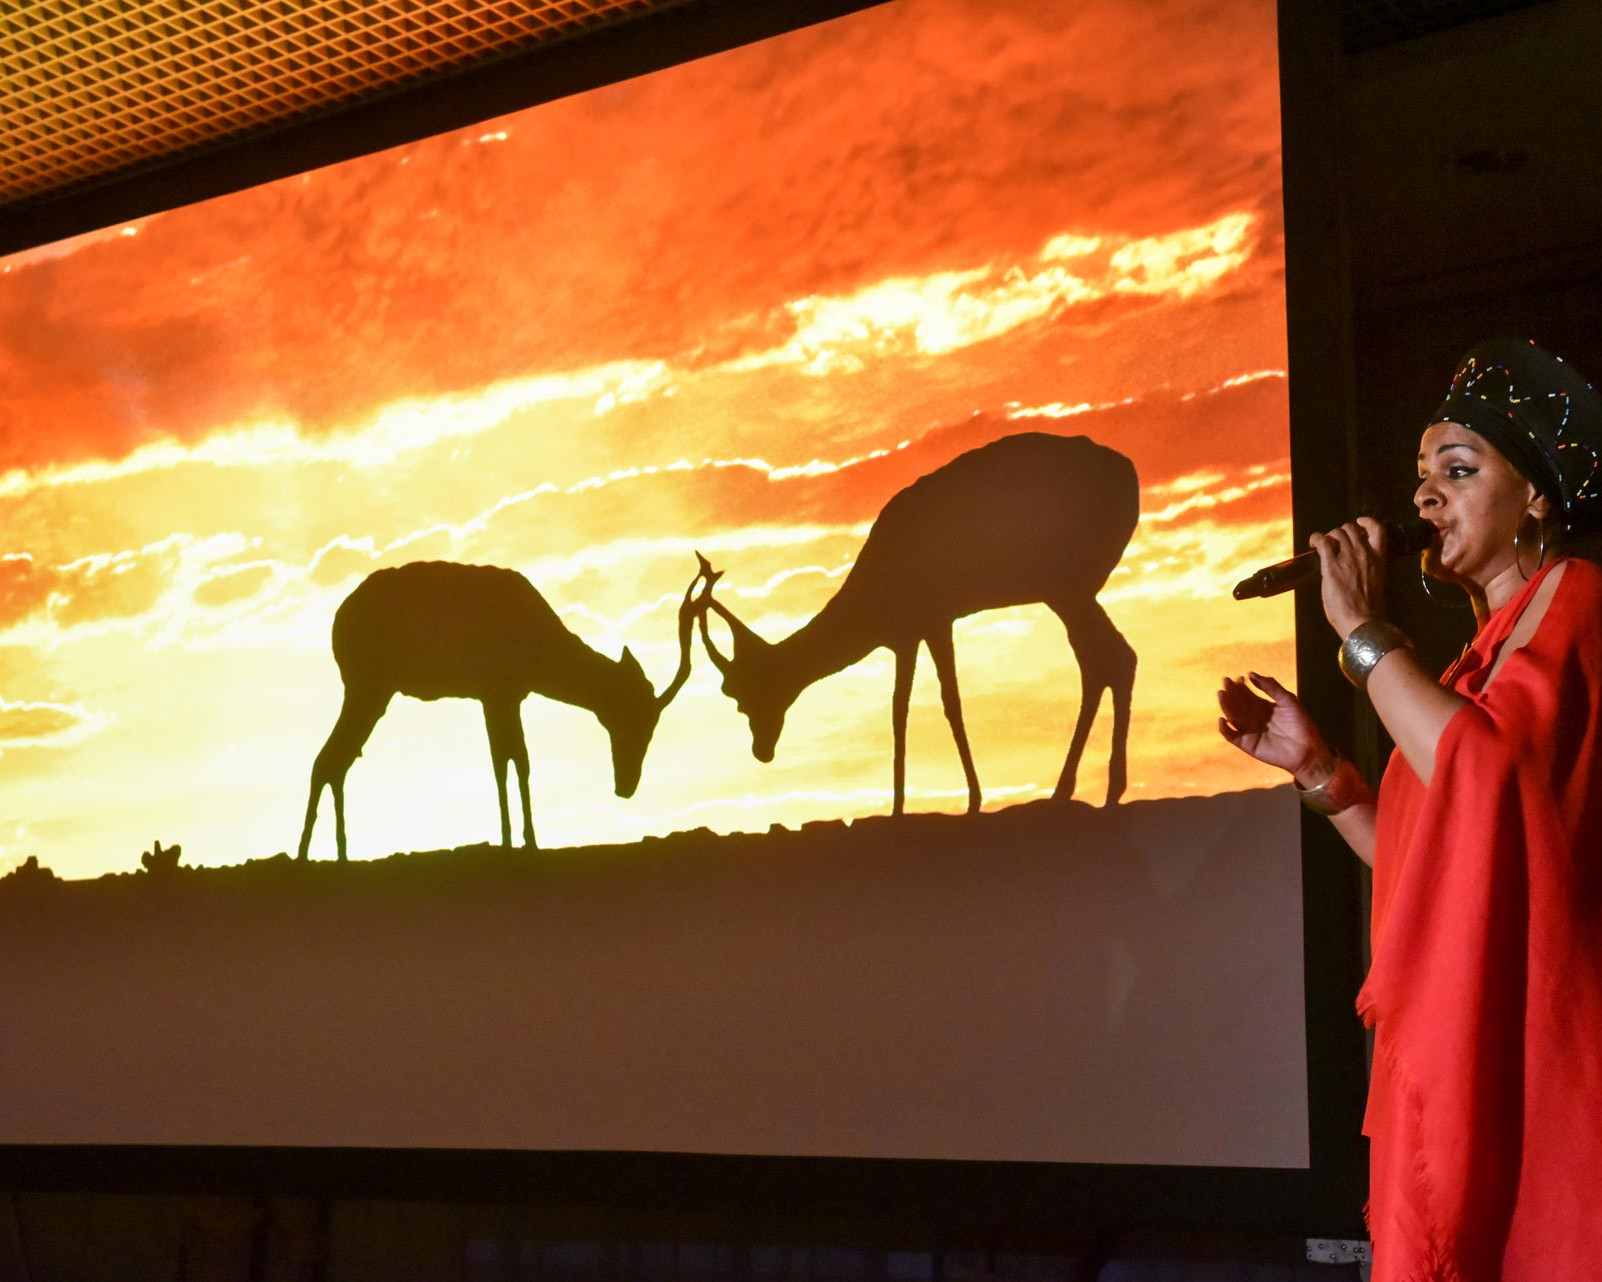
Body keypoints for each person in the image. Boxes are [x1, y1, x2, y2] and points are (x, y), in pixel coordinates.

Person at [1216, 338, 1602, 1281]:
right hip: (1479, 1059)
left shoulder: (1576, 598)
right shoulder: (1471, 666)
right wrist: (1327, 779)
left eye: (1458, 471)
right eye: (1421, 477)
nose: (1425, 498)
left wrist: (1361, 636)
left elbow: (1491, 773)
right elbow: (1442, 870)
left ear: (1538, 497)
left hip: (1537, 1066)